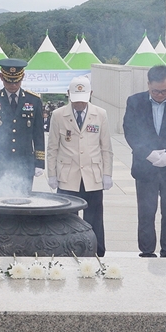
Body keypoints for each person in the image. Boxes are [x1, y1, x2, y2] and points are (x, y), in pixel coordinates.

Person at [123, 64, 166, 258]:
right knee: (146, 212)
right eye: (155, 91)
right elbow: (130, 131)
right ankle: (146, 250)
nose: (160, 95)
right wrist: (148, 153)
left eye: (164, 91)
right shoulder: (135, 102)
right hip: (146, 167)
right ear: (148, 85)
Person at [46, 75, 113, 256]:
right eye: (75, 101)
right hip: (68, 175)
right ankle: (68, 251)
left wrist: (107, 174)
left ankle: (97, 251)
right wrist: (51, 174)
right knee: (68, 218)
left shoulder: (100, 114)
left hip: (93, 174)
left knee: (94, 218)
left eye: (83, 101)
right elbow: (52, 147)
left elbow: (106, 147)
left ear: (91, 94)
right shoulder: (58, 115)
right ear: (68, 94)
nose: (79, 105)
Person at [0, 58, 45, 194]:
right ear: (1, 77)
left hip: (24, 162)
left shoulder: (34, 100)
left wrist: (39, 162)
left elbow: (38, 134)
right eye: (8, 81)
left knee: (23, 204)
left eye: (16, 81)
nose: (13, 85)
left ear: (23, 77)